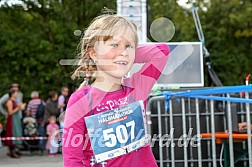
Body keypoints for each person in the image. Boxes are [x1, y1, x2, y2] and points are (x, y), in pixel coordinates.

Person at [62, 13, 170, 167]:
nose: (123, 51)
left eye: (128, 46)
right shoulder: (81, 100)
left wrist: (127, 54)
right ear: (93, 53)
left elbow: (162, 51)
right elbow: (72, 159)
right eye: (114, 44)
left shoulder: (136, 88)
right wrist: (115, 53)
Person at [5, 89, 26, 158]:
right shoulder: (9, 101)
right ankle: (11, 151)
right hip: (12, 119)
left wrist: (21, 107)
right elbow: (10, 112)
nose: (17, 95)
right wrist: (18, 107)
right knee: (12, 133)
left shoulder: (15, 101)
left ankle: (16, 149)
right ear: (12, 94)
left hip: (16, 118)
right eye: (16, 93)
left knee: (17, 132)